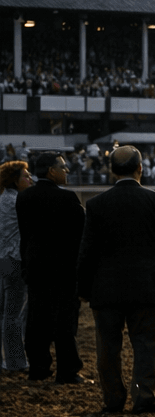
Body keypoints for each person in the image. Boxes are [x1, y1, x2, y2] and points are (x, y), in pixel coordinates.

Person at [77, 146, 155, 413]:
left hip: (106, 286)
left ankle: (113, 399)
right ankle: (143, 396)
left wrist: (83, 288)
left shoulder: (96, 205)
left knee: (108, 347)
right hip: (147, 285)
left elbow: (86, 252)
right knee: (146, 344)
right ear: (140, 168)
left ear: (112, 171)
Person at [15, 152, 87, 383]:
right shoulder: (67, 198)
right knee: (64, 322)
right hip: (63, 269)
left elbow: (25, 236)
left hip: (36, 267)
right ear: (51, 171)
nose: (67, 171)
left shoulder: (24, 198)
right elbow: (81, 236)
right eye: (63, 167)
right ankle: (67, 371)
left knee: (37, 320)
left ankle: (38, 368)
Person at [0, 159, 33, 373]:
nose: (30, 179)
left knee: (6, 312)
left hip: (4, 258)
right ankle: (15, 361)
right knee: (13, 314)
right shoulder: (18, 201)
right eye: (25, 176)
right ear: (15, 180)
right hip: (15, 259)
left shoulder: (4, 199)